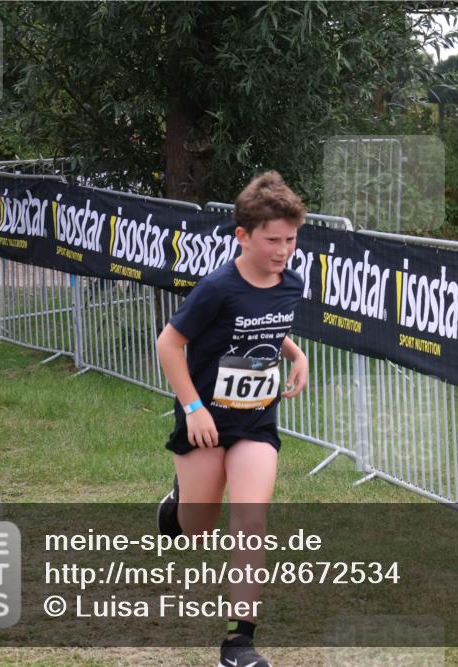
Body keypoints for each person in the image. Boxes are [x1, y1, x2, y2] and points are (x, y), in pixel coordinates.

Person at [155, 171, 309, 667]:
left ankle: (237, 642)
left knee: (251, 521)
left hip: (256, 424)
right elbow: (169, 344)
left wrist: (296, 354)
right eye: (272, 240)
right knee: (198, 527)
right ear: (242, 236)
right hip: (205, 420)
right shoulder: (217, 288)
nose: (283, 250)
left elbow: (267, 325)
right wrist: (193, 407)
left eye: (291, 239)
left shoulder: (291, 282)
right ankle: (177, 506)